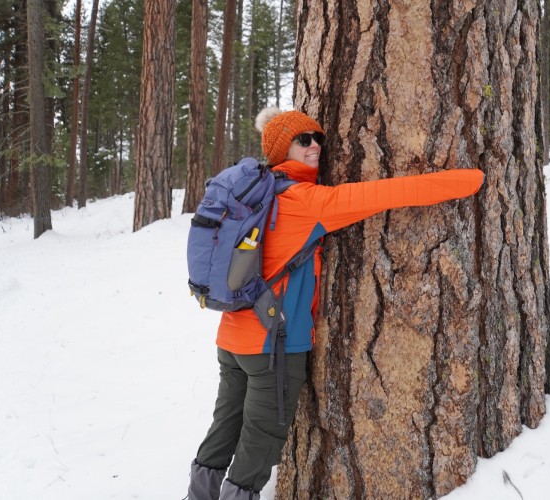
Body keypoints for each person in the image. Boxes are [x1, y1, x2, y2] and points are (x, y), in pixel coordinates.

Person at [186, 108, 485, 500]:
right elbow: (393, 193)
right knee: (261, 440)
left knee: (224, 426)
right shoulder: (307, 201)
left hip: (232, 338)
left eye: (318, 138)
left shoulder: (256, 197)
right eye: (303, 140)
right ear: (281, 149)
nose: (315, 146)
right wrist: (471, 179)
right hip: (273, 346)